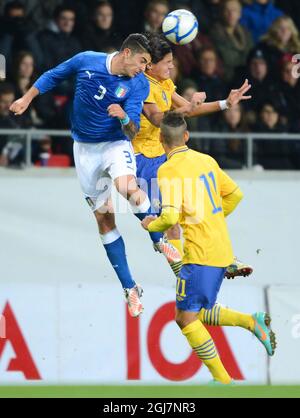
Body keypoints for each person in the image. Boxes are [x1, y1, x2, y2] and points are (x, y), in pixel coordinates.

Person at [9, 33, 154, 318]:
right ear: (127, 53)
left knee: (126, 186)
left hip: (115, 144)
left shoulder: (139, 83)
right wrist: (27, 99)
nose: (144, 68)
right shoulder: (87, 60)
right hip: (85, 149)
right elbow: (53, 75)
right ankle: (130, 287)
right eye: (142, 61)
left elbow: (133, 128)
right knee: (103, 217)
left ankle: (159, 239)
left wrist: (124, 118)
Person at [141, 112, 276, 384]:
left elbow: (168, 218)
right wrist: (209, 218)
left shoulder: (166, 169)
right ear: (187, 136)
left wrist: (150, 225)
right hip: (220, 247)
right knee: (197, 310)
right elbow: (236, 194)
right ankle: (252, 322)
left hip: (200, 252)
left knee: (185, 318)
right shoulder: (206, 160)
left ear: (160, 138)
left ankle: (223, 380)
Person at [133, 33, 253, 278]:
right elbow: (158, 119)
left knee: (198, 204)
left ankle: (218, 257)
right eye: (167, 62)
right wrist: (188, 106)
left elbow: (187, 109)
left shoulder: (164, 83)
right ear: (150, 64)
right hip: (144, 159)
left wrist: (225, 104)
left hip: (167, 156)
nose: (172, 66)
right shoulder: (142, 84)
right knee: (172, 219)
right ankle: (184, 273)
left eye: (172, 61)